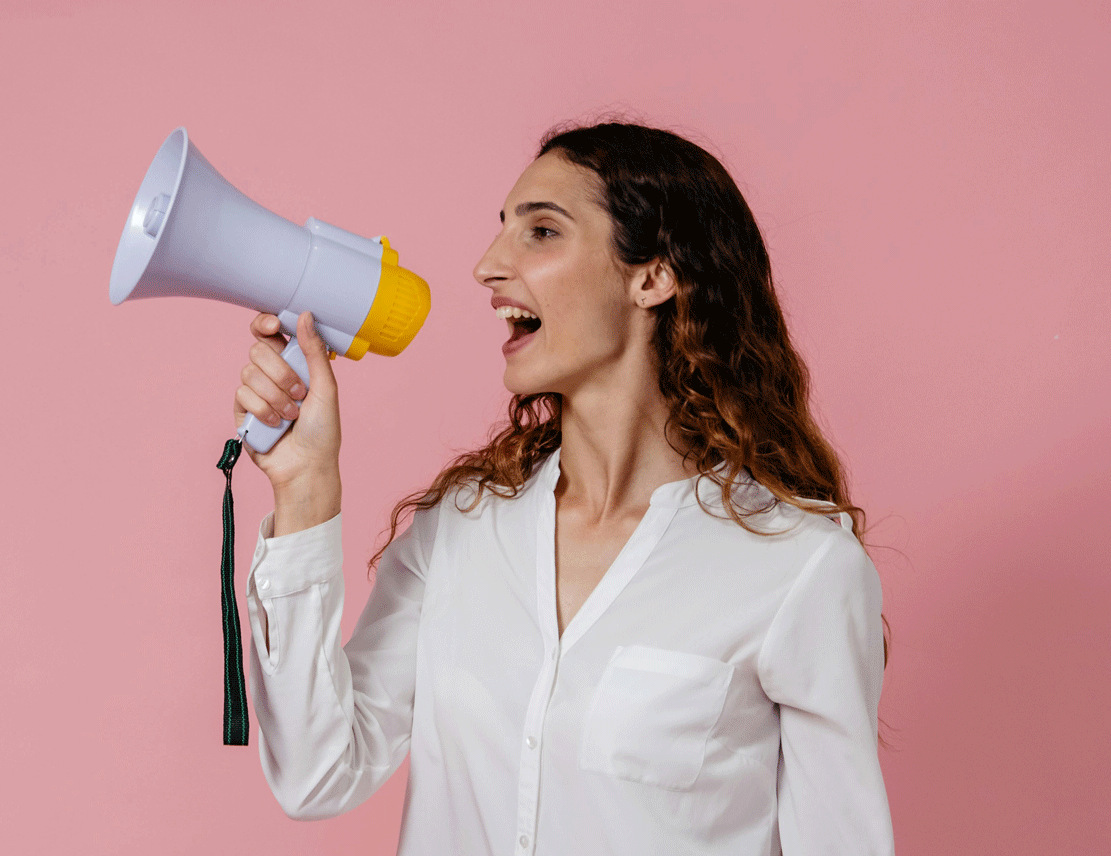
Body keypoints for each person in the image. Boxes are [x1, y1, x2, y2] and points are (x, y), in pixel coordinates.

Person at [230, 121, 893, 855]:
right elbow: (317, 773)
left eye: (541, 231)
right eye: (503, 229)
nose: (487, 265)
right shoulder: (462, 530)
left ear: (652, 276)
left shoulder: (797, 568)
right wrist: (305, 490)